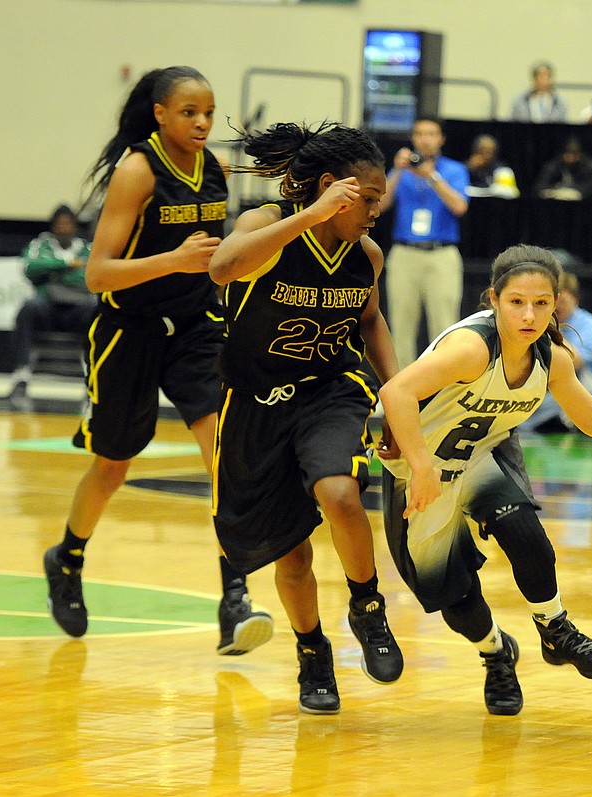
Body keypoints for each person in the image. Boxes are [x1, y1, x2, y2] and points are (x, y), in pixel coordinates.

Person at [41, 66, 274, 657]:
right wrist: (173, 260)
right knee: (113, 465)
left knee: (223, 457)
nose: (202, 123)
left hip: (196, 328)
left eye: (209, 113)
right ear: (160, 114)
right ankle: (66, 559)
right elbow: (97, 275)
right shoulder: (138, 171)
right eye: (189, 112)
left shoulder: (215, 169)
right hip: (131, 330)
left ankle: (235, 599)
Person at [377, 243, 592, 716]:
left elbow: (590, 417)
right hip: (422, 467)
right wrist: (422, 468)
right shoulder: (471, 348)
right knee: (456, 598)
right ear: (494, 299)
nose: (529, 315)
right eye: (516, 302)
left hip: (482, 453)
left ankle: (556, 630)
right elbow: (395, 392)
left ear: (556, 303)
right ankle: (496, 653)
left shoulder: (553, 357)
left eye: (541, 303)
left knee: (526, 533)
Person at [208, 121, 403, 715]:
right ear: (330, 188)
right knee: (291, 556)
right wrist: (312, 216)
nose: (375, 212)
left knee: (339, 491)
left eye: (379, 200)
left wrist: (398, 399)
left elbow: (369, 320)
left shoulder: (366, 255)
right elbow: (222, 268)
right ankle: (312, 652)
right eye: (368, 199)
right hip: (255, 403)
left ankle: (368, 607)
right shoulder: (266, 225)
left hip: (329, 391)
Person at [383, 116, 470, 368]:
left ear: (441, 139)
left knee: (444, 325)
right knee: (400, 325)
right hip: (405, 253)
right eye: (420, 134)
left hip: (441, 253)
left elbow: (459, 206)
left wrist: (431, 176)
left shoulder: (454, 170)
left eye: (431, 134)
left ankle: (443, 385)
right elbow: (380, 205)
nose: (425, 140)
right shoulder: (401, 171)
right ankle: (400, 385)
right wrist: (397, 170)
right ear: (413, 138)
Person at [6, 204, 97, 412]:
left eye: (68, 224)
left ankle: (92, 381)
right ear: (53, 227)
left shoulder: (88, 248)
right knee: (29, 307)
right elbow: (30, 267)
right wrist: (68, 264)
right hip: (48, 308)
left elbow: (91, 277)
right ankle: (21, 378)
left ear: (75, 227)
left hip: (78, 309)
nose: (63, 228)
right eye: (59, 224)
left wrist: (54, 275)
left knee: (96, 310)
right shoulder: (40, 244)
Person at [520, 270, 592, 434]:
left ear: (575, 300)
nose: (558, 307)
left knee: (526, 420)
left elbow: (576, 361)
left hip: (578, 390)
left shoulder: (589, 323)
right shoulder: (535, 320)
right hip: (541, 388)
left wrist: (552, 330)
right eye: (553, 301)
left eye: (563, 301)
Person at [531, 136, 592, 201]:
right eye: (568, 154)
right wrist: (555, 192)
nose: (570, 158)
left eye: (574, 154)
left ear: (580, 155)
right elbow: (539, 187)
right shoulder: (553, 166)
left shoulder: (591, 168)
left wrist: (571, 192)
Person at [464, 134, 520, 199]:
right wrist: (468, 167)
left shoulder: (502, 169)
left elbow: (511, 193)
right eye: (482, 151)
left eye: (489, 151)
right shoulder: (465, 168)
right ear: (475, 151)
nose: (486, 155)